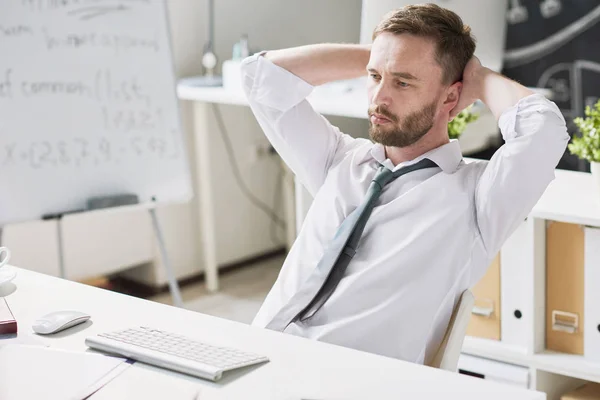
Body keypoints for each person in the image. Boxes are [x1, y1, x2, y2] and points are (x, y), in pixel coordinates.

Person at [240, 3, 569, 365]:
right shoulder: (340, 160)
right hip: (258, 358)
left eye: (403, 82)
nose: (379, 98)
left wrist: (476, 76)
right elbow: (262, 76)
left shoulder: (477, 199)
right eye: (374, 78)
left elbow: (544, 130)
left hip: (352, 382)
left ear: (450, 97)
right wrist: (385, 58)